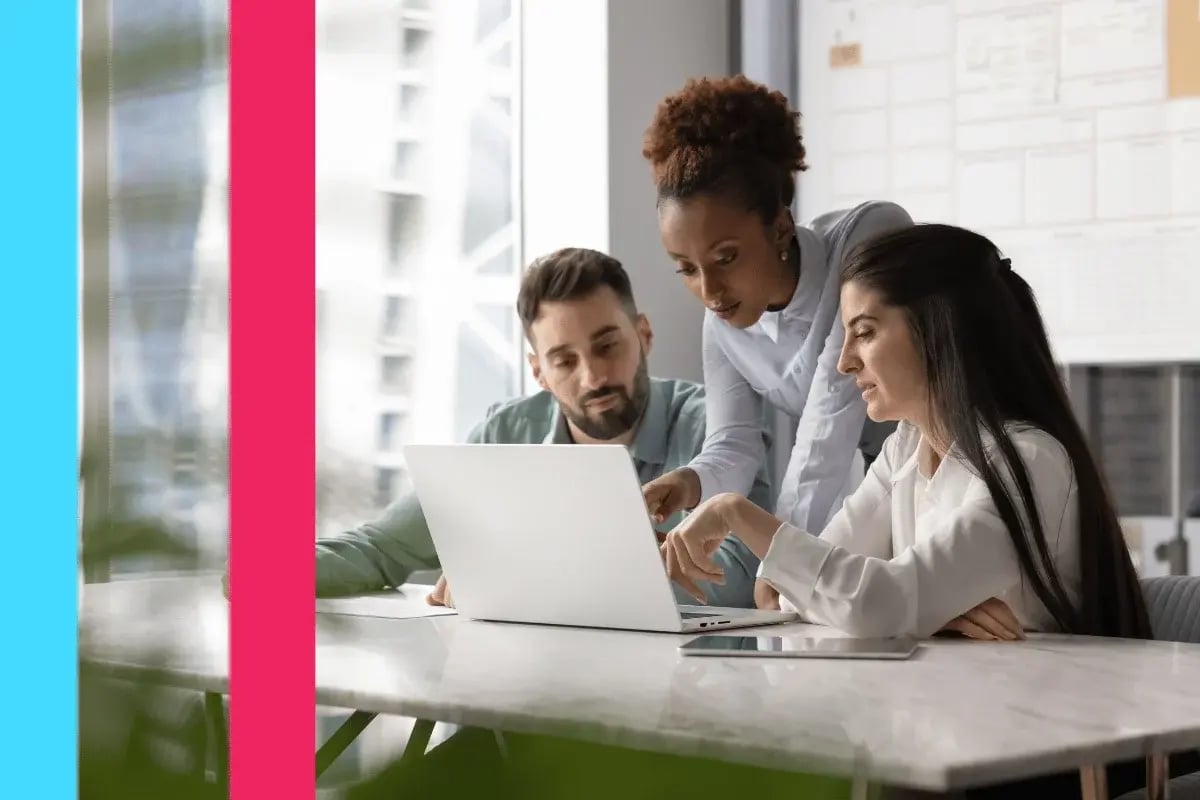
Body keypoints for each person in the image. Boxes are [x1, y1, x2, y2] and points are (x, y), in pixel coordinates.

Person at [658, 223, 1200, 799]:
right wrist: (929, 618)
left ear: (938, 330)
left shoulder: (1029, 459)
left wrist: (740, 514)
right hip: (954, 734)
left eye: (863, 333)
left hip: (1038, 759)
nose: (844, 362)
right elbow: (787, 596)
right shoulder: (903, 451)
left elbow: (876, 602)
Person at [311, 247, 770, 609]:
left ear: (643, 335)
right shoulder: (506, 433)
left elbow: (740, 575)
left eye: (607, 345)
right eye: (564, 360)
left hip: (691, 708)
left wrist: (514, 581)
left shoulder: (720, 428)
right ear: (538, 372)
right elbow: (383, 548)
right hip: (529, 702)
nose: (593, 377)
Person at [638, 76, 912, 612]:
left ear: (782, 227)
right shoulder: (722, 329)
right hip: (884, 490)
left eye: (726, 257)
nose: (710, 291)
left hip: (963, 469)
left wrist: (781, 560)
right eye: (686, 270)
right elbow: (735, 444)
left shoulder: (866, 237)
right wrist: (690, 483)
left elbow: (830, 417)